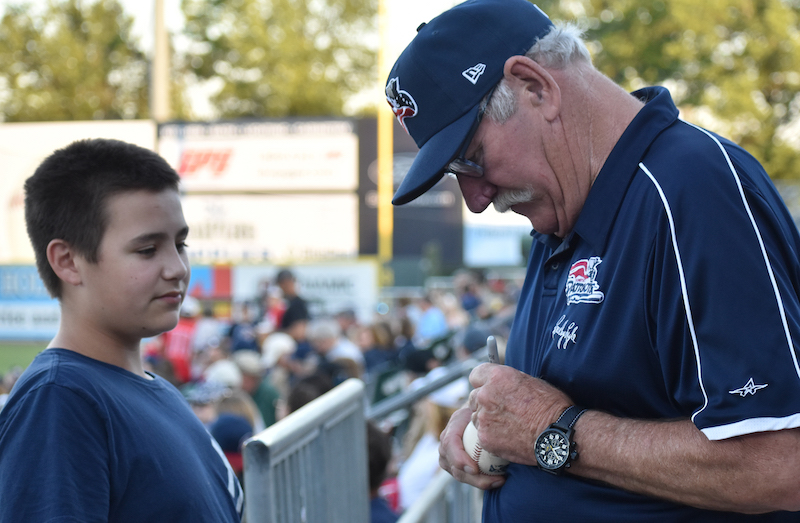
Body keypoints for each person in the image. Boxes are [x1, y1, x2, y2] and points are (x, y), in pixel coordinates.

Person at [386, 0, 800, 520]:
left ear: (535, 87)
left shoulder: (691, 190)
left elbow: (781, 463)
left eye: (470, 158)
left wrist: (551, 431)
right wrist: (484, 419)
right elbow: (579, 395)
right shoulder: (560, 208)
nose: (474, 197)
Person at [0, 138, 243, 522]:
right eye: (147, 250)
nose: (177, 268)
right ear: (68, 262)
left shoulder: (153, 388)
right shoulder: (61, 400)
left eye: (180, 243)